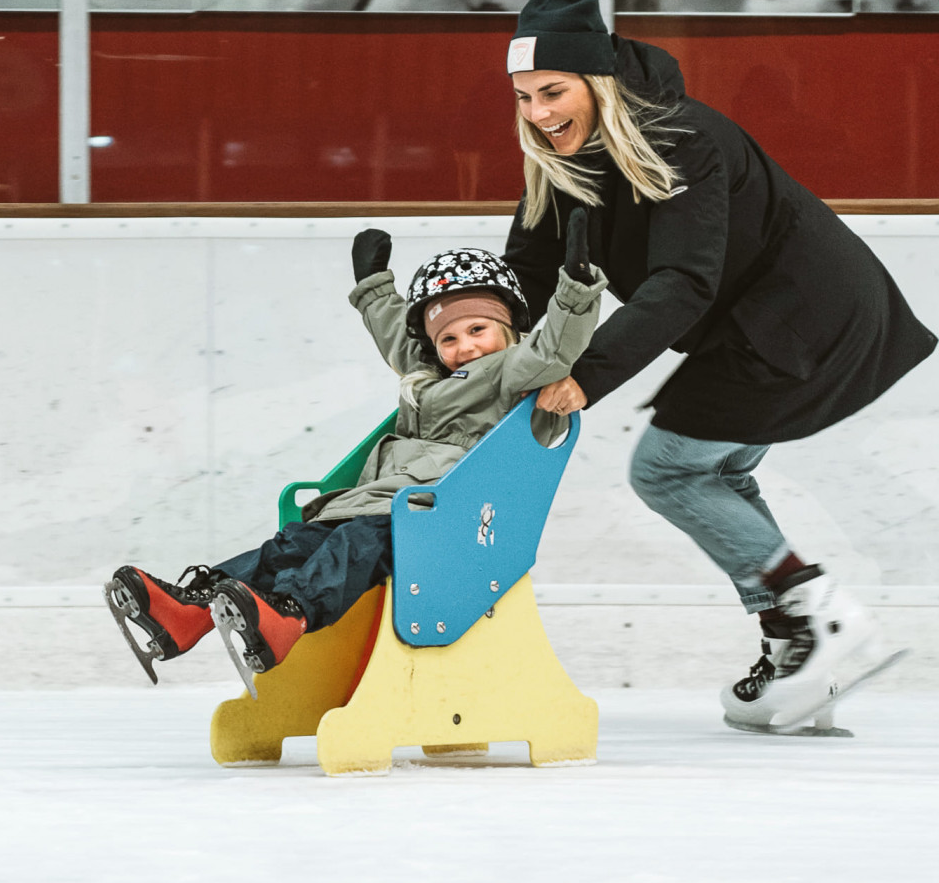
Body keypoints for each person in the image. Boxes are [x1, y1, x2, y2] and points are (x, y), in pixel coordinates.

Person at [503, 0, 937, 734]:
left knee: (667, 469)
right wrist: (470, 347)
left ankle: (820, 618)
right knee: (716, 473)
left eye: (553, 92)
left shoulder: (682, 138)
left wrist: (586, 378)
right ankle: (800, 643)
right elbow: (528, 273)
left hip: (806, 311)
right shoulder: (565, 162)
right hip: (760, 321)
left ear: (596, 82)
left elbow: (681, 282)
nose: (538, 114)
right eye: (524, 96)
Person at [106, 219, 607, 691]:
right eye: (449, 338)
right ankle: (191, 611)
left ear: (508, 327)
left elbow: (555, 348)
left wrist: (577, 290)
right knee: (290, 545)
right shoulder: (429, 376)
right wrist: (373, 284)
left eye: (478, 330)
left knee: (353, 543)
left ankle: (290, 613)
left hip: (441, 517)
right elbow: (395, 335)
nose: (465, 347)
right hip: (377, 503)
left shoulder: (513, 371)